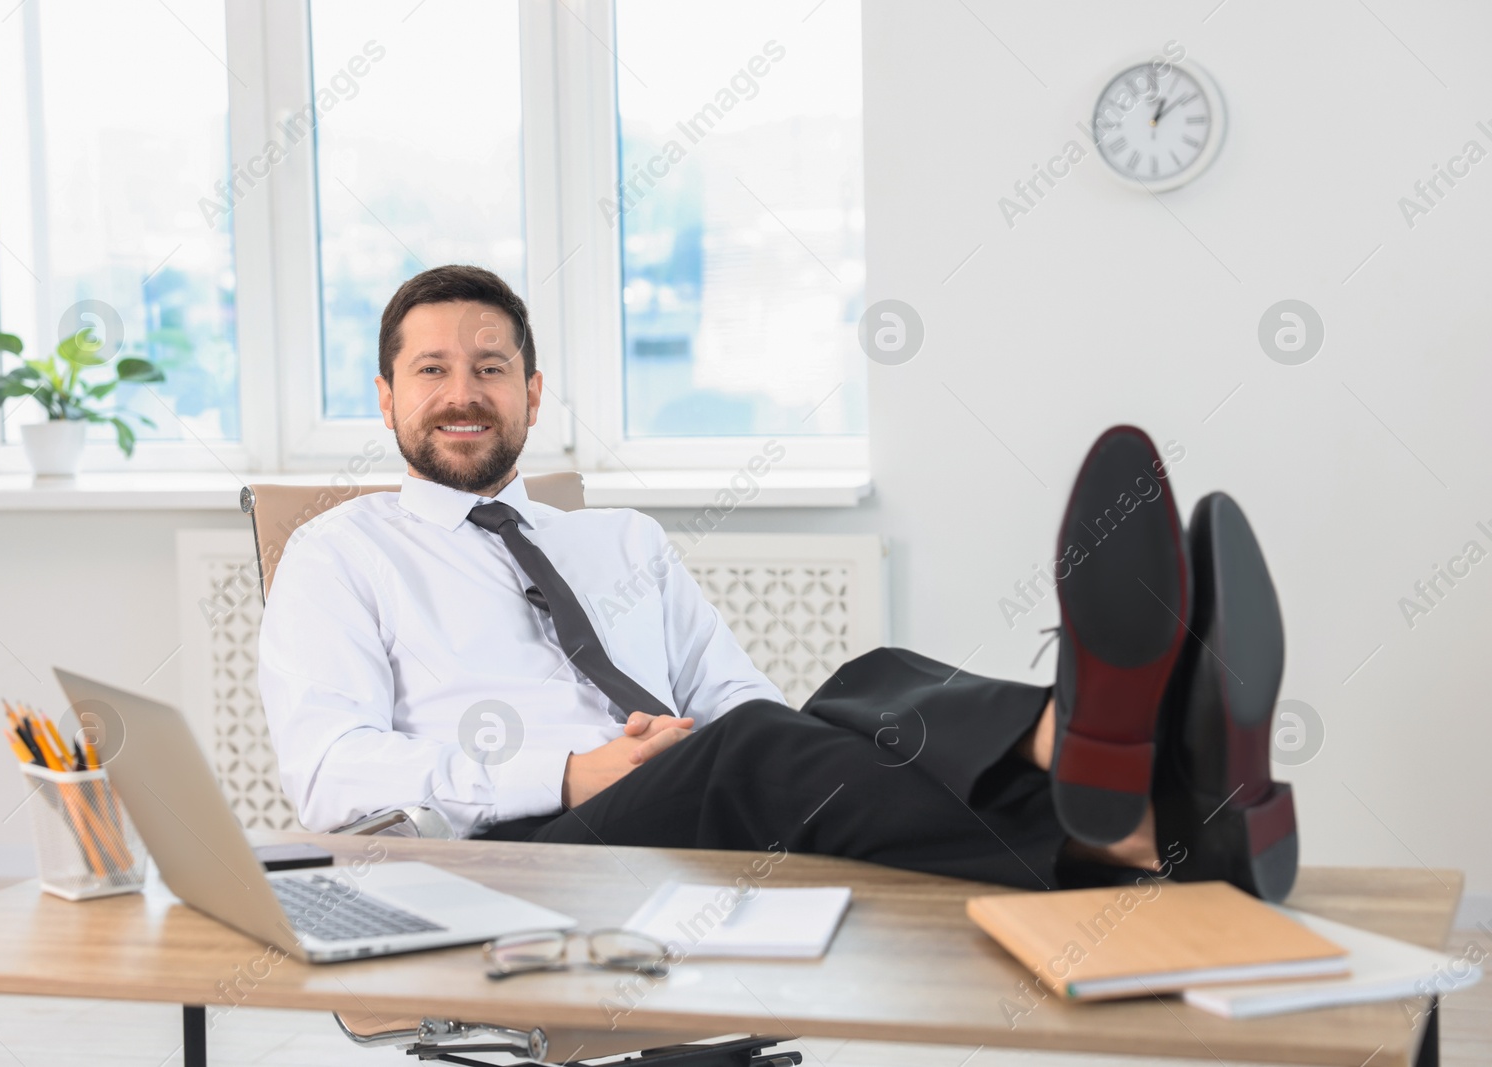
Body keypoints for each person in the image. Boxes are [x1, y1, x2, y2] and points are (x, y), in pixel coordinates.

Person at [258, 265, 1298, 902]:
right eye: (432, 369)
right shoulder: (340, 553)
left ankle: (1077, 746)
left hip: (690, 793)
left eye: (489, 367)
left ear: (531, 394)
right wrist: (572, 772)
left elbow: (738, 699)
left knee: (867, 682)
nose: (462, 393)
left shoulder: (618, 538)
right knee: (749, 749)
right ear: (387, 395)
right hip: (519, 853)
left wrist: (717, 748)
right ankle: (1150, 799)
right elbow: (331, 772)